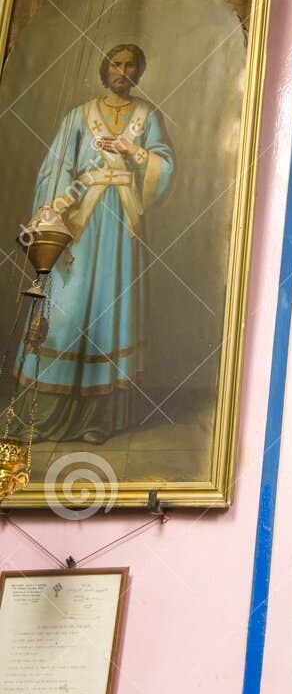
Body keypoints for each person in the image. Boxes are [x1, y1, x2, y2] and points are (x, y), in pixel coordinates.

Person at [14, 43, 175, 444]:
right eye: (116, 65)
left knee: (111, 311)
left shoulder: (145, 116)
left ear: (139, 72)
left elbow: (165, 165)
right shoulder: (79, 116)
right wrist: (55, 212)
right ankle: (47, 412)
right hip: (80, 223)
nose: (123, 71)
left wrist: (133, 150)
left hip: (122, 223)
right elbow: (56, 168)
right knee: (64, 312)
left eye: (131, 66)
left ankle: (99, 419)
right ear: (105, 70)